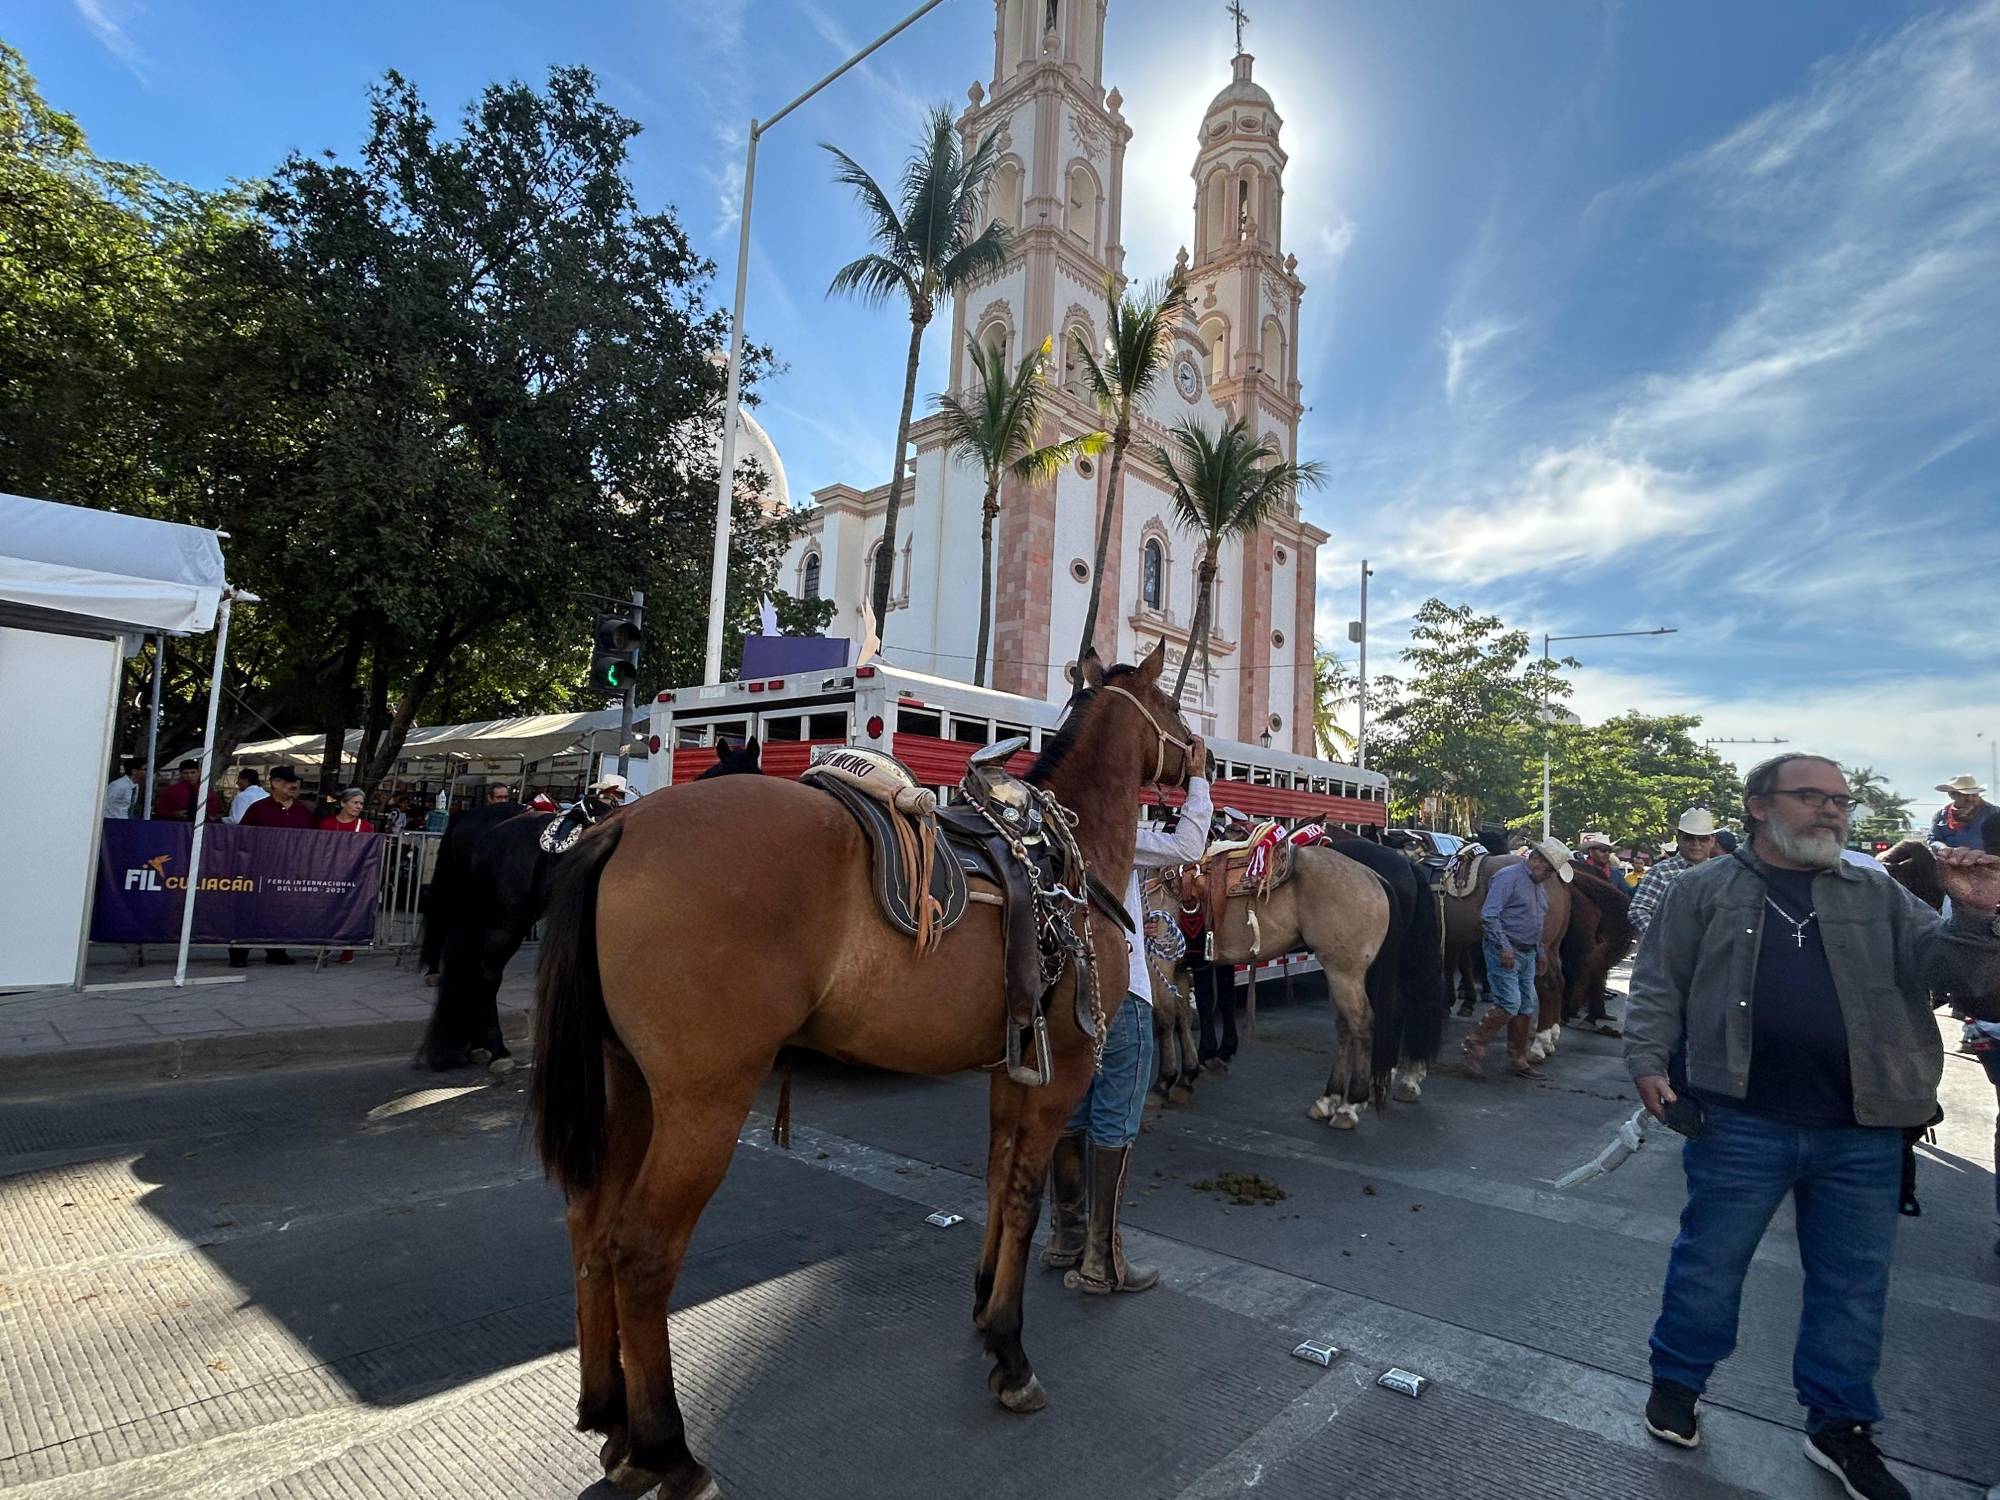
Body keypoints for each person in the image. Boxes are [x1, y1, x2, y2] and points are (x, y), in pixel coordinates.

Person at [1625, 753, 2000, 1498]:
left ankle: (1839, 1426)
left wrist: (1974, 912)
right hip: (1738, 1121)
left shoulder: (1881, 893)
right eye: (1811, 796)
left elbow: (1965, 983)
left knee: (1853, 1286)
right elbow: (1658, 981)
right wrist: (1645, 1060)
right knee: (1709, 1264)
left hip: (1862, 1130)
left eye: (1840, 799)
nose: (1832, 810)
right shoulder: (1702, 889)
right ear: (1759, 805)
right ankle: (1677, 1381)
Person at [1045, 734, 1210, 1295]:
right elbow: (1190, 844)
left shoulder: (1050, 827)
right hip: (1125, 998)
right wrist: (1199, 778)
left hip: (1065, 1000)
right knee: (1115, 1124)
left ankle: (1064, 1237)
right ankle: (1103, 1261)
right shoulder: (1121, 835)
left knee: (1070, 1117)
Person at [1462, 836, 1572, 1079]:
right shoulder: (1507, 877)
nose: (1550, 875)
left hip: (1527, 951)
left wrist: (1541, 950)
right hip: (1506, 949)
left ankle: (1518, 1056)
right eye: (1549, 869)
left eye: (1553, 871)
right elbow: (1490, 915)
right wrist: (1504, 946)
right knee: (1510, 1002)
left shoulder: (1537, 884)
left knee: (1525, 1004)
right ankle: (1475, 1042)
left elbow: (1537, 920)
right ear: (1535, 860)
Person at [231, 765, 318, 968]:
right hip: (260, 868)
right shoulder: (258, 809)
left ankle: (276, 950)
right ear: (275, 783)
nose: (293, 785)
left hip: (289, 870)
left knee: (281, 911)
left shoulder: (302, 810)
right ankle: (239, 951)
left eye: (295, 782)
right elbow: (243, 837)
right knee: (251, 910)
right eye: (288, 782)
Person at [1629, 808, 1720, 936]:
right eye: (1689, 838)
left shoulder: (1721, 873)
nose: (1696, 844)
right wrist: (1663, 939)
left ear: (1712, 841)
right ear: (1679, 839)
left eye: (1703, 839)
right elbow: (1638, 910)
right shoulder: (1661, 872)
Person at [317, 787, 375, 962]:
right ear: (343, 803)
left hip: (353, 875)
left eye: (361, 803)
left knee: (349, 910)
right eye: (355, 802)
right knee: (325, 910)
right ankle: (322, 945)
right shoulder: (326, 824)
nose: (358, 806)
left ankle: (347, 948)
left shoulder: (365, 826)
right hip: (329, 873)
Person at [1930, 773, 1996, 851]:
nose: (1970, 799)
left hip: (1987, 861)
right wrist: (1943, 848)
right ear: (1952, 795)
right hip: (1949, 861)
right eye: (1965, 795)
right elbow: (1933, 840)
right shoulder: (1941, 816)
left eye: (1974, 795)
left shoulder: (1994, 813)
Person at [153, 759, 222, 822]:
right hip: (177, 825)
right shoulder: (170, 791)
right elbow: (159, 811)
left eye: (192, 772)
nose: (189, 776)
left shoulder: (207, 791)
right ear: (181, 773)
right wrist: (173, 814)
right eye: (185, 773)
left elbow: (215, 812)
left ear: (198, 772)